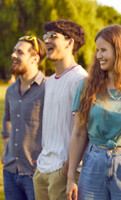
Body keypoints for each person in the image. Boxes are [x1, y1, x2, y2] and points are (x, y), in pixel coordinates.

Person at [66, 24, 121, 200]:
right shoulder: (86, 86)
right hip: (93, 163)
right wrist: (71, 177)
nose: (98, 56)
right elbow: (78, 133)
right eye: (97, 50)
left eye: (103, 50)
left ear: (120, 51)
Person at [33, 19, 88, 199]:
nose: (46, 41)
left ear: (69, 42)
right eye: (45, 36)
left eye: (52, 36)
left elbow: (84, 131)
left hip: (63, 172)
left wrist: (69, 168)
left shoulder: (81, 80)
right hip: (42, 170)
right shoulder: (49, 82)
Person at [2, 36, 47, 200]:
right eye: (14, 51)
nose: (13, 55)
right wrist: (6, 146)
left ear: (35, 59)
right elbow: (7, 119)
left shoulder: (47, 89)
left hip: (34, 173)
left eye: (19, 52)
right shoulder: (11, 90)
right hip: (10, 170)